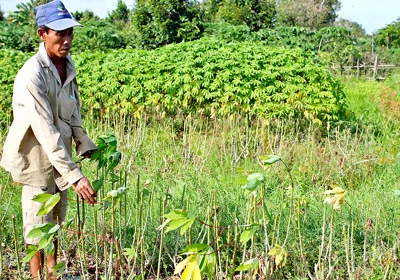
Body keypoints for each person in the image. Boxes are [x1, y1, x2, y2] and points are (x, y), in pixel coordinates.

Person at [0, 0, 97, 279]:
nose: (67, 40)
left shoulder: (67, 65)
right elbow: (45, 130)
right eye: (59, 33)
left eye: (70, 33)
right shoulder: (32, 74)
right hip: (35, 160)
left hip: (59, 156)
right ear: (42, 33)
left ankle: (53, 274)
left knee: (54, 221)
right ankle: (37, 277)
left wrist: (84, 141)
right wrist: (76, 176)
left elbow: (72, 108)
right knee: (37, 226)